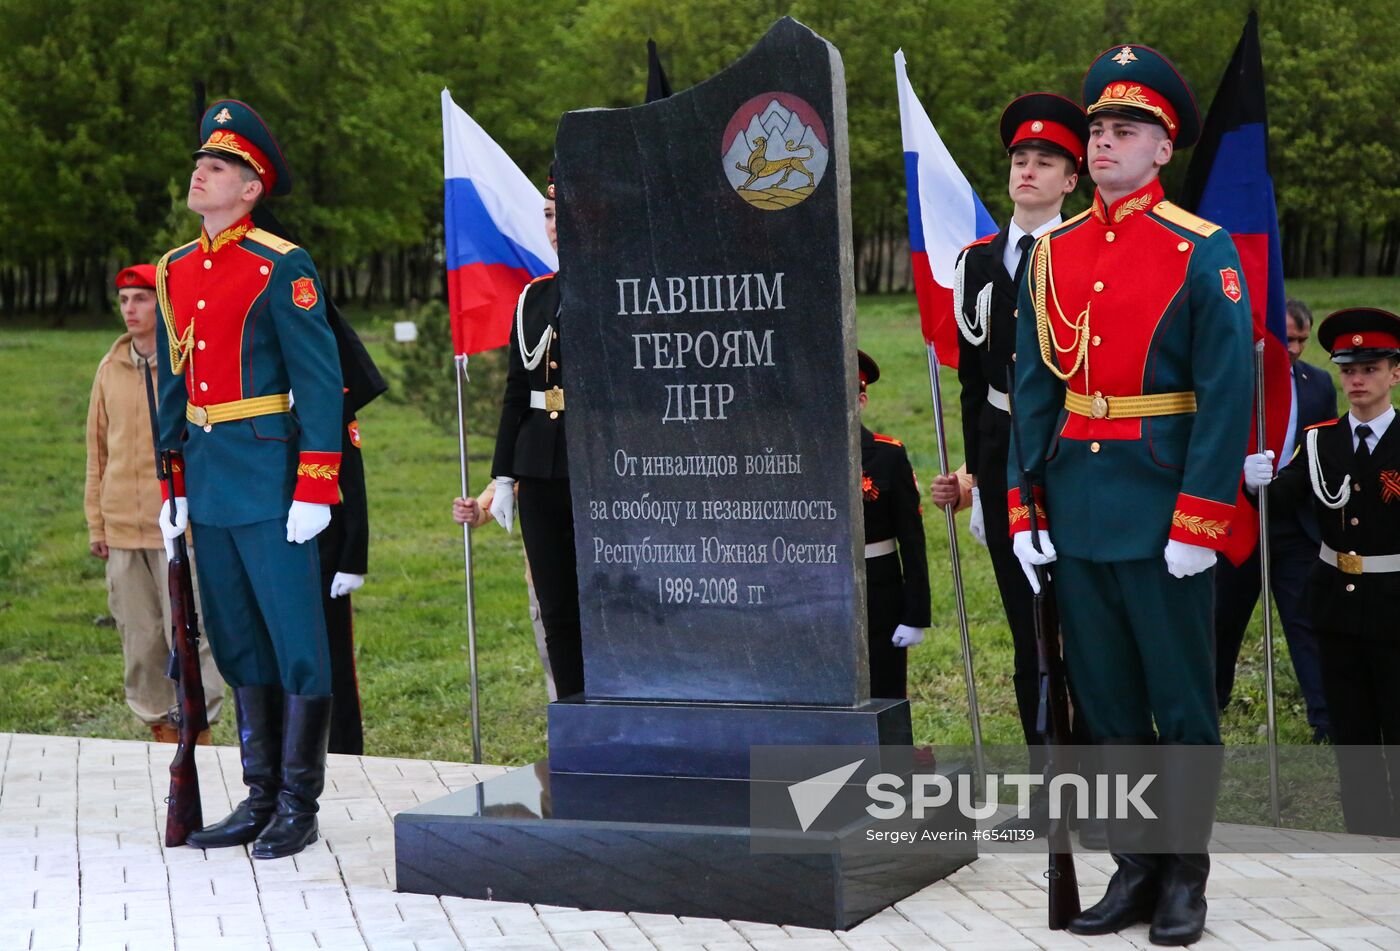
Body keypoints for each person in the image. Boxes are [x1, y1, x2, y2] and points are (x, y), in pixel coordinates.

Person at [1008, 45, 1253, 945]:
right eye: (1099, 128)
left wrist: (1201, 515)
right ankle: (1135, 868)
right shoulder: (1054, 251)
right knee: (1107, 706)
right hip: (1077, 505)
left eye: (1126, 130)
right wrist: (1025, 507)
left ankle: (1184, 877)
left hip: (1163, 513)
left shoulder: (1200, 249)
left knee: (1181, 705)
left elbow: (1229, 398)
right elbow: (1034, 391)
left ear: (1163, 148)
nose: (1105, 143)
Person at [154, 99, 343, 859]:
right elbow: (174, 381)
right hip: (209, 474)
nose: (202, 171)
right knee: (236, 638)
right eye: (202, 161)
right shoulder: (173, 269)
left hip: (269, 475)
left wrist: (316, 484)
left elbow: (321, 380)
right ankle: (259, 793)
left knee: (296, 637)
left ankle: (299, 801)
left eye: (221, 165)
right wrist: (172, 481)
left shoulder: (279, 264)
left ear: (251, 187)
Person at [932, 90, 1089, 767]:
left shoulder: (1087, 253)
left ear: (1071, 178)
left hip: (1073, 451)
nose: (1028, 170)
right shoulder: (976, 262)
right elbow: (972, 379)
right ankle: (1047, 775)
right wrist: (975, 472)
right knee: (1027, 625)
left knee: (1082, 622)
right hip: (1001, 454)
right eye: (1020, 159)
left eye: (1045, 161)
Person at [1244, 307, 1400, 837]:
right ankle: (1366, 831)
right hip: (1336, 601)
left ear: (1394, 373)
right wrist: (1254, 481)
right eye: (1348, 369)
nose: (1357, 380)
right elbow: (1284, 496)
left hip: (1394, 602)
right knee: (1351, 728)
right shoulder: (1319, 443)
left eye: (1371, 368)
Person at [85, 264, 224, 742]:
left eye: (141, 299)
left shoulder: (184, 365)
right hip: (123, 526)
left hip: (178, 526)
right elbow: (97, 450)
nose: (130, 309)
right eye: (124, 300)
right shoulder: (109, 369)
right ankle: (159, 731)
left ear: (160, 305)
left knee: (190, 635)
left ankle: (200, 732)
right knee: (139, 639)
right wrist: (96, 524)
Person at [1215, 298, 1337, 741]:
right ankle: (1213, 701)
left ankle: (1325, 717)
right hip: (1239, 520)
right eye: (1288, 338)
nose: (1296, 348)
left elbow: (1321, 452)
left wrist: (1287, 486)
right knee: (1222, 619)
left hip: (1293, 522)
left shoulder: (1318, 385)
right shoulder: (1233, 381)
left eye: (1303, 340)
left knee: (1306, 622)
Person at [488, 167, 584, 699]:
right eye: (548, 215)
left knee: (604, 601)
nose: (553, 225)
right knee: (555, 603)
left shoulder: (616, 288)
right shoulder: (534, 297)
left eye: (562, 214)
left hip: (596, 467)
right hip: (540, 466)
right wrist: (503, 475)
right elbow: (515, 392)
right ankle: (574, 710)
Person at [856, 351, 930, 698]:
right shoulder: (801, 456)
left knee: (884, 688)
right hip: (820, 593)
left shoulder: (888, 456)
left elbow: (912, 540)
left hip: (879, 589)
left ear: (862, 400)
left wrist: (915, 613)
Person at [453, 484, 558, 700]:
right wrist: (475, 511)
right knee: (555, 662)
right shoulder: (535, 453)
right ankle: (568, 728)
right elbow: (502, 485)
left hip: (605, 577)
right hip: (544, 581)